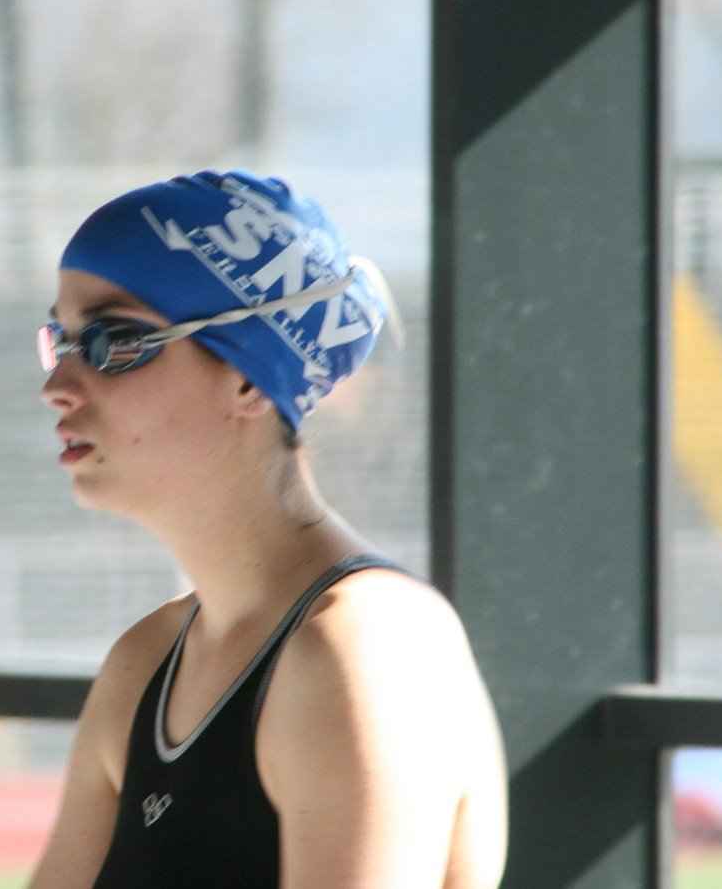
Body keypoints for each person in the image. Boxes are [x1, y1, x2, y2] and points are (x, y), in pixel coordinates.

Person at [27, 170, 508, 888]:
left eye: (114, 341)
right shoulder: (146, 662)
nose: (57, 386)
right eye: (60, 341)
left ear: (249, 376)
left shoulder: (365, 649)